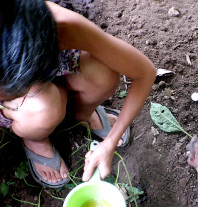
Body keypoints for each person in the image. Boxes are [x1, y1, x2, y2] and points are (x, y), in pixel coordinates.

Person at [0, 0, 154, 187]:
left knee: (102, 74)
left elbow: (144, 72)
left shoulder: (61, 25)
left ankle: (82, 114)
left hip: (48, 60)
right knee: (43, 108)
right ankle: (34, 138)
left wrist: (110, 142)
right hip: (22, 104)